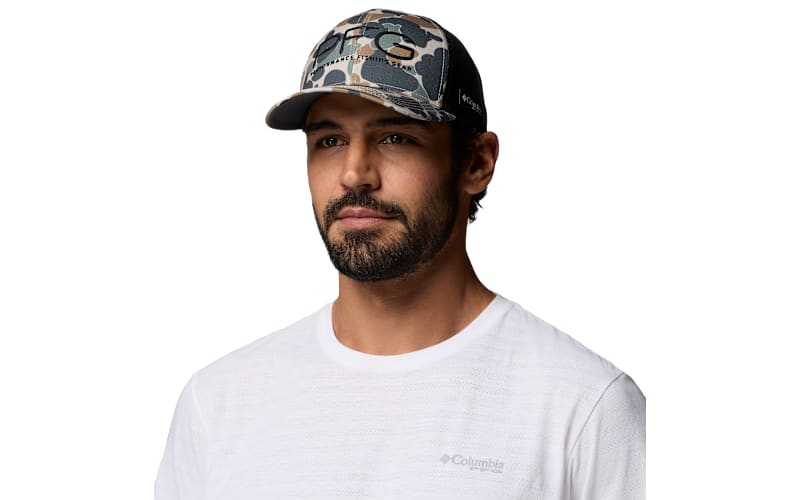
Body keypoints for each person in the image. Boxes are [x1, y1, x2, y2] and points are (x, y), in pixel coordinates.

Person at [155, 8, 645, 500]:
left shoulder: (585, 407)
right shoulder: (217, 404)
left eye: (395, 137)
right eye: (329, 140)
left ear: (477, 163)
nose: (354, 174)